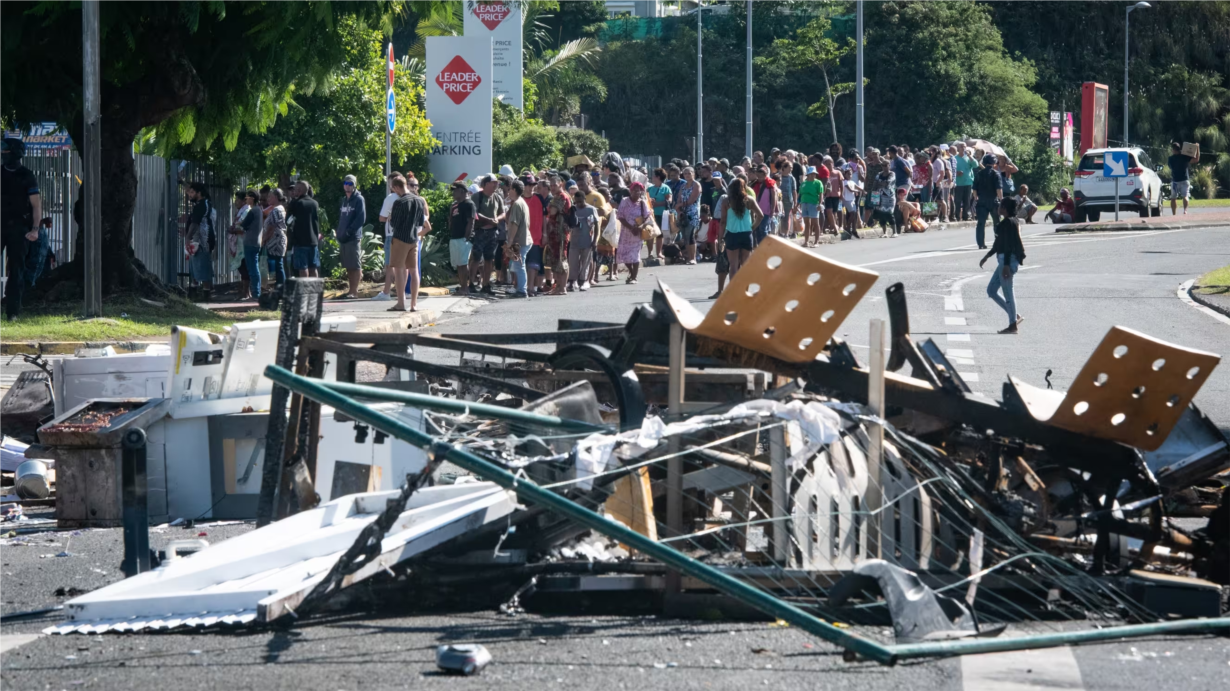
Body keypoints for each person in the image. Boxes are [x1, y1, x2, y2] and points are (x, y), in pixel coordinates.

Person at [0, 138, 40, 321]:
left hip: (19, 228)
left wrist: (35, 229)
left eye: (6, 151)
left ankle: (13, 312)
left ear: (15, 153)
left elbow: (36, 206)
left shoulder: (27, 175)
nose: (2, 154)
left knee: (16, 270)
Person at [980, 197, 1026, 334]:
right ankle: (1014, 316)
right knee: (991, 290)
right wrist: (987, 256)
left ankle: (1013, 325)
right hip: (1003, 260)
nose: (998, 207)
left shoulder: (1009, 223)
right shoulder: (1007, 223)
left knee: (1008, 292)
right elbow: (999, 244)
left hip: (1007, 260)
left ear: (1004, 209)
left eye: (1000, 205)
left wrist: (1006, 265)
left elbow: (1008, 247)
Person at [386, 175, 428, 311]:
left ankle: (400, 303)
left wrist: (391, 217)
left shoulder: (399, 202)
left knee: (399, 271)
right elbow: (421, 222)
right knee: (414, 270)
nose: (394, 192)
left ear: (397, 187)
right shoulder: (419, 201)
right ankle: (414, 304)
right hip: (414, 239)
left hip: (400, 238)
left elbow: (394, 223)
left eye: (394, 188)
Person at [470, 175, 506, 295]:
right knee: (475, 258)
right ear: (485, 184)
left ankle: (486, 284)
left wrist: (496, 219)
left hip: (492, 233)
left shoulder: (497, 197)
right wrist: (488, 220)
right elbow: (474, 213)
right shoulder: (477, 196)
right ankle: (471, 283)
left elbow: (503, 213)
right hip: (480, 232)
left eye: (497, 183)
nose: (496, 185)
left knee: (489, 259)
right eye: (493, 183)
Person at [720, 177, 763, 278]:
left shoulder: (726, 201)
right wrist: (752, 228)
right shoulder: (749, 200)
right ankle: (745, 290)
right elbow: (760, 216)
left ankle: (733, 291)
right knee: (745, 265)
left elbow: (722, 222)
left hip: (731, 234)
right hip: (746, 234)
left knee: (733, 266)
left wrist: (721, 238)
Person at [374, 173, 406, 301]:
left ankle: (386, 292)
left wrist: (390, 216)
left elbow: (381, 218)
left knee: (389, 266)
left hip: (391, 234)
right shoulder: (411, 197)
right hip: (405, 235)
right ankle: (402, 293)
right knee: (404, 267)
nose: (390, 186)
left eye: (390, 184)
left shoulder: (390, 198)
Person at [615, 181, 651, 284]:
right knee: (625, 255)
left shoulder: (642, 203)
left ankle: (634, 277)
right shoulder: (625, 201)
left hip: (637, 234)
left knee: (635, 255)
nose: (636, 193)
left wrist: (639, 227)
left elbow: (647, 217)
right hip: (626, 233)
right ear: (630, 191)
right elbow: (620, 217)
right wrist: (631, 228)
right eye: (634, 191)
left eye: (638, 191)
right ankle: (631, 272)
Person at [185, 181, 217, 300]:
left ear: (199, 193)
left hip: (204, 241)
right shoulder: (203, 204)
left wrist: (188, 237)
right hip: (200, 239)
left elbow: (195, 223)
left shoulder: (201, 205)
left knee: (203, 267)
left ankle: (205, 295)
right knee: (195, 266)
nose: (190, 194)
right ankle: (194, 291)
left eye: (192, 192)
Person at [504, 179, 532, 298]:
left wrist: (510, 242)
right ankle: (519, 288)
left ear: (514, 190)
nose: (508, 191)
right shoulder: (522, 202)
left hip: (519, 241)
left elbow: (514, 224)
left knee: (520, 265)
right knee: (517, 265)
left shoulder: (517, 204)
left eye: (510, 189)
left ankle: (522, 290)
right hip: (524, 239)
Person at [542, 176, 569, 295]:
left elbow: (552, 211)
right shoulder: (555, 197)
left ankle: (563, 287)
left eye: (554, 185)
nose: (552, 188)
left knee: (561, 259)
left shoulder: (562, 196)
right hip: (553, 232)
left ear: (560, 184)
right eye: (551, 185)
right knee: (555, 260)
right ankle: (557, 286)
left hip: (561, 233)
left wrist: (548, 208)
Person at [448, 181, 476, 296]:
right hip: (454, 237)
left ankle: (465, 287)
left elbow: (471, 221)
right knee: (458, 264)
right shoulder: (454, 205)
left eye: (455, 190)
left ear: (462, 191)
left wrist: (466, 237)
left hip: (463, 239)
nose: (453, 193)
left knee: (463, 263)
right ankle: (462, 286)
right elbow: (450, 219)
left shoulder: (469, 204)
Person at [971, 154, 1003, 249]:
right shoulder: (996, 174)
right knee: (997, 223)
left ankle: (981, 243)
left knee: (981, 223)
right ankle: (998, 243)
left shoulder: (979, 174)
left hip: (981, 201)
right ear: (994, 163)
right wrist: (1001, 200)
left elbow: (975, 189)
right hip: (993, 201)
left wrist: (976, 198)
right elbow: (999, 189)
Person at [568, 189, 597, 292]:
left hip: (587, 240)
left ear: (585, 199)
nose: (579, 204)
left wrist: (595, 241)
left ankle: (583, 281)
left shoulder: (591, 209)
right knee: (573, 262)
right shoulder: (573, 209)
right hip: (575, 240)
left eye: (581, 201)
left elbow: (596, 225)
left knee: (585, 262)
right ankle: (572, 281)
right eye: (577, 202)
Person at [239, 189, 263, 300]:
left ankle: (256, 293)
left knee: (252, 269)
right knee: (254, 268)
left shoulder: (253, 211)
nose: (246, 199)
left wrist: (240, 223)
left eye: (247, 197)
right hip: (256, 242)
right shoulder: (259, 210)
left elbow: (243, 224)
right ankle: (256, 292)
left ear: (252, 199)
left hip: (250, 242)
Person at [261, 188, 288, 289]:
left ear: (276, 197)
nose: (267, 199)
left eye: (270, 196)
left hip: (276, 241)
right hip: (277, 240)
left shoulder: (276, 210)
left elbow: (272, 227)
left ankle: (281, 287)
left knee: (278, 264)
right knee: (278, 264)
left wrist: (264, 239)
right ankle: (280, 286)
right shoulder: (279, 209)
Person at [526, 179, 548, 294]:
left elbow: (544, 217)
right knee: (522, 263)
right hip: (522, 237)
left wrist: (544, 234)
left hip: (536, 236)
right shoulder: (518, 200)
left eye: (533, 185)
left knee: (534, 264)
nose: (531, 187)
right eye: (528, 185)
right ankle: (523, 287)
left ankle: (530, 288)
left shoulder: (539, 198)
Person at [675, 166, 701, 264]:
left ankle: (693, 257)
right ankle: (688, 257)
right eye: (685, 173)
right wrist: (679, 210)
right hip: (683, 213)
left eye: (689, 173)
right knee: (685, 236)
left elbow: (691, 200)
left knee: (691, 235)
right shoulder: (683, 186)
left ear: (693, 174)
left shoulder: (696, 185)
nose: (687, 175)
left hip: (692, 213)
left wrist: (679, 205)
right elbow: (679, 199)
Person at [647, 168, 672, 260]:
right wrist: (650, 201)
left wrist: (657, 203)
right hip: (650, 214)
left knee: (659, 234)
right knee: (650, 234)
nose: (652, 177)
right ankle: (650, 253)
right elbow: (645, 200)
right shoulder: (649, 188)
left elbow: (669, 200)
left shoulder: (666, 188)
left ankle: (659, 253)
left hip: (661, 214)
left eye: (654, 175)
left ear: (658, 177)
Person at [798, 166, 823, 247]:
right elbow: (800, 195)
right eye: (811, 174)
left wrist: (820, 204)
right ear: (808, 175)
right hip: (804, 204)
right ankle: (806, 242)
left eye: (814, 174)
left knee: (815, 223)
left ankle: (816, 242)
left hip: (814, 204)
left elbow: (821, 194)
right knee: (807, 223)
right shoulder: (803, 183)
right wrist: (796, 205)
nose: (813, 175)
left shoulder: (818, 182)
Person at [951, 142, 977, 221]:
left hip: (968, 182)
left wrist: (970, 156)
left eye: (964, 147)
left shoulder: (969, 158)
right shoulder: (955, 158)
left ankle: (966, 216)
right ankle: (957, 216)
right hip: (958, 183)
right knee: (957, 201)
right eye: (961, 147)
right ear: (958, 148)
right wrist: (956, 173)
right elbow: (950, 170)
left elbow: (976, 165)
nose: (963, 148)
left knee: (967, 201)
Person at [1169, 141, 1195, 215]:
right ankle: (1185, 211)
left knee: (1173, 198)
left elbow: (1171, 167)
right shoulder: (1184, 156)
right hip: (1184, 179)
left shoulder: (1171, 158)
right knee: (1185, 196)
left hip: (1175, 181)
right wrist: (1197, 148)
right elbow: (1195, 159)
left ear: (1173, 149)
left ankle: (1174, 214)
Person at [872, 167, 898, 236]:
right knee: (881, 215)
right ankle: (884, 233)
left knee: (889, 214)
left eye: (886, 165)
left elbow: (887, 183)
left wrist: (880, 183)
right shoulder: (879, 174)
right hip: (879, 196)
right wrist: (881, 184)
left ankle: (894, 232)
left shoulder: (892, 174)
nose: (884, 167)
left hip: (889, 197)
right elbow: (875, 184)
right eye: (883, 165)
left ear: (889, 166)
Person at [842, 169, 861, 237]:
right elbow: (850, 189)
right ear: (845, 175)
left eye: (850, 174)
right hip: (846, 200)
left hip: (852, 200)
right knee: (852, 213)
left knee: (854, 215)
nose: (849, 175)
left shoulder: (852, 182)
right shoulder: (845, 182)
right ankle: (847, 227)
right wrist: (857, 191)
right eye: (848, 174)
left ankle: (854, 230)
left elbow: (857, 187)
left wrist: (863, 191)